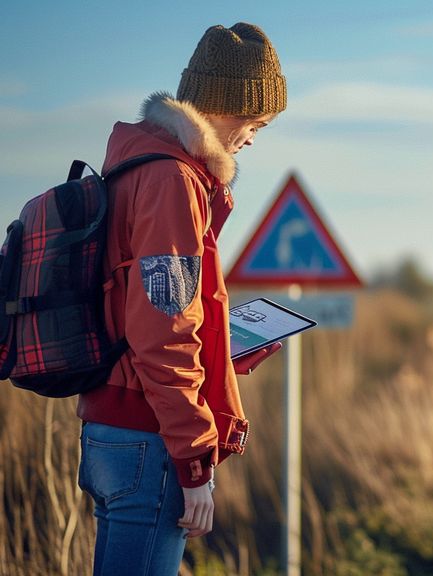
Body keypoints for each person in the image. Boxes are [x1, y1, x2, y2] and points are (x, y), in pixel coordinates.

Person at [76, 23, 286, 575]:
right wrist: (195, 462)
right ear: (230, 107)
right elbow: (163, 330)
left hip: (114, 429)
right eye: (258, 122)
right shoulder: (173, 180)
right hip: (150, 437)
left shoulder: (135, 165)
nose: (254, 138)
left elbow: (146, 309)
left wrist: (227, 347)